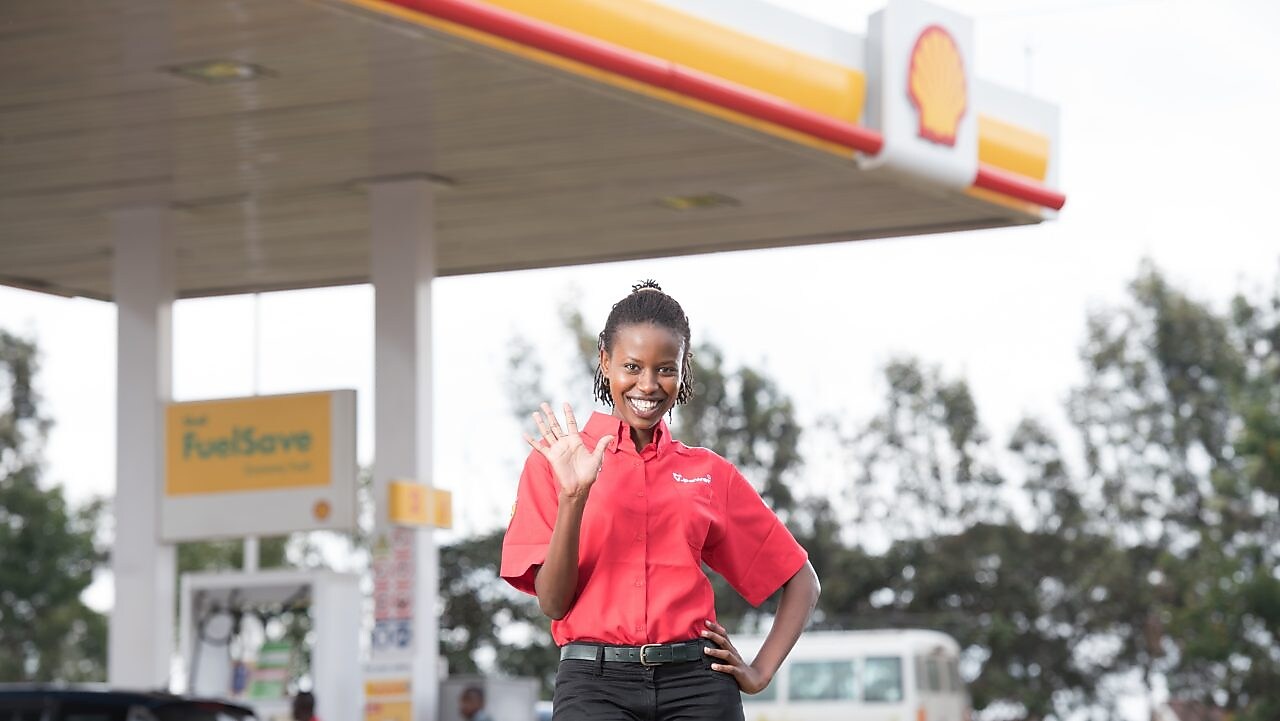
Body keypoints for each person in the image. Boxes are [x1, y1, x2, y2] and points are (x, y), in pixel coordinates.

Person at [501, 281, 821, 721]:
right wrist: (574, 495)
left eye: (665, 368)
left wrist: (759, 672)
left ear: (683, 369)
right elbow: (553, 604)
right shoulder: (554, 463)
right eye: (632, 366)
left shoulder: (708, 472)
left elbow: (802, 580)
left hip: (699, 687)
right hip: (594, 688)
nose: (648, 385)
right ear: (605, 362)